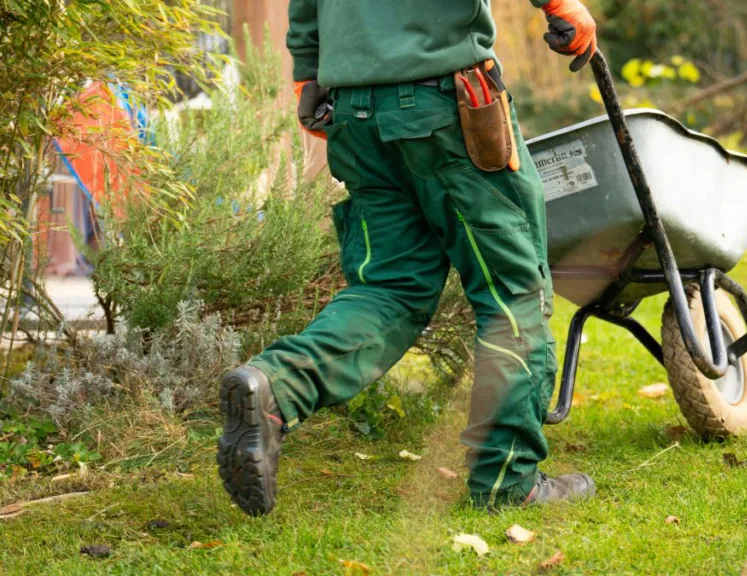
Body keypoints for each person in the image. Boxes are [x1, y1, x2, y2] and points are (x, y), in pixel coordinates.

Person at [216, 0, 599, 516]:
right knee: (513, 293)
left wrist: (307, 78)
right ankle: (509, 480)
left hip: (353, 115)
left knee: (388, 289)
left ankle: (276, 388)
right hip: (445, 104)